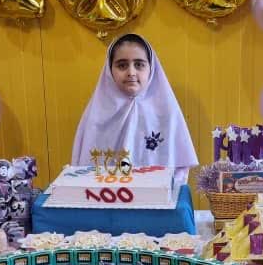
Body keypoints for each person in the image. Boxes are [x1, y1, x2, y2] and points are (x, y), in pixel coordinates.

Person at [71, 33, 198, 183]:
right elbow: (83, 172)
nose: (131, 72)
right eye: (122, 65)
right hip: (105, 193)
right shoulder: (95, 116)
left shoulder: (168, 115)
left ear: (151, 68)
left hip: (156, 194)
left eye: (139, 65)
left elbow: (179, 170)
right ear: (109, 70)